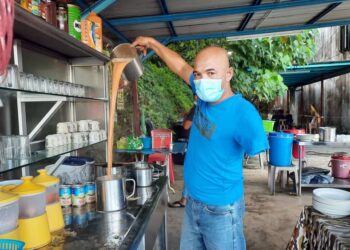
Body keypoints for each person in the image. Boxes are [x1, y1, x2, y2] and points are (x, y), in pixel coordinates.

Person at [132, 37, 268, 249]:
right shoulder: (203, 96)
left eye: (211, 73)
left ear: (228, 74)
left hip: (221, 210)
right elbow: (179, 66)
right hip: (192, 203)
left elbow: (258, 149)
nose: (202, 80)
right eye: (198, 74)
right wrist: (152, 43)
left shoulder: (244, 114)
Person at [169, 96, 196, 208]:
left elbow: (186, 126)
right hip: (203, 144)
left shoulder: (197, 107)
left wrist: (188, 117)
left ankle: (185, 199)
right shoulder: (209, 107)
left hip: (196, 145)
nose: (194, 96)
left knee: (190, 171)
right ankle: (185, 198)